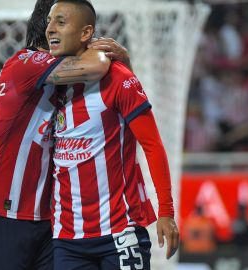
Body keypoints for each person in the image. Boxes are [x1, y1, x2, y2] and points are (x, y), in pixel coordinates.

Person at [0, 1, 132, 269]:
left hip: (45, 219)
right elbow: (97, 64)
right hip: (3, 213)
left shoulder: (57, 78)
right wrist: (96, 48)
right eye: (61, 21)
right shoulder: (26, 62)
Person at [46, 0, 179, 269]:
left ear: (85, 33)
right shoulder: (45, 81)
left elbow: (152, 145)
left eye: (60, 22)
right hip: (66, 235)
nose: (50, 29)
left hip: (120, 230)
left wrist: (166, 211)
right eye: (49, 21)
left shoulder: (118, 77)